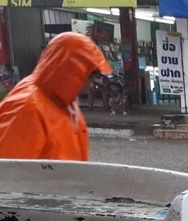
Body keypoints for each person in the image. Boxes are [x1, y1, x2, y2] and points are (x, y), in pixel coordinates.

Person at [0, 32, 112, 161]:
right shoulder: (27, 108)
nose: (92, 82)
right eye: (91, 74)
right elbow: (9, 170)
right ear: (73, 70)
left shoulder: (64, 99)